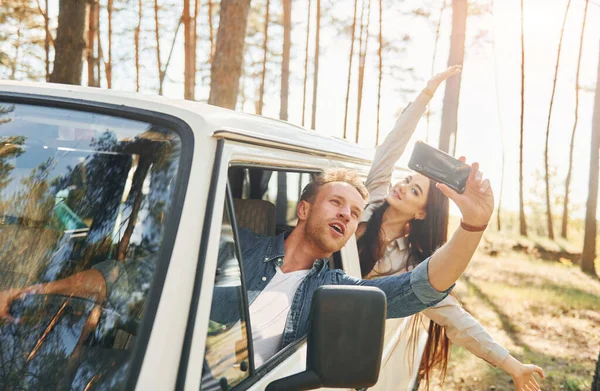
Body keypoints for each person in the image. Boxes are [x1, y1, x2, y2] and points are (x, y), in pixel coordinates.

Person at [0, 161, 493, 369]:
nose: (348, 213)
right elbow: (122, 278)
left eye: (356, 211)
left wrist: (472, 228)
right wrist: (33, 293)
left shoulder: (333, 291)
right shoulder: (235, 249)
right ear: (304, 210)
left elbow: (419, 289)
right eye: (336, 202)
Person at [356, 65, 544, 391]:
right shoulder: (369, 200)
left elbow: (458, 321)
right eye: (406, 180)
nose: (401, 187)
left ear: (421, 213)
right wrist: (427, 93)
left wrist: (511, 364)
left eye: (414, 191)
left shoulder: (415, 267)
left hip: (347, 346)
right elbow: (392, 145)